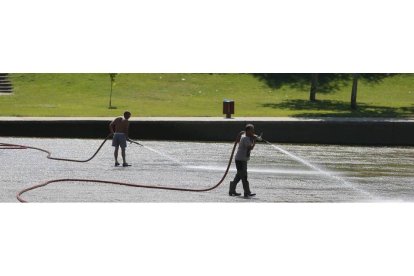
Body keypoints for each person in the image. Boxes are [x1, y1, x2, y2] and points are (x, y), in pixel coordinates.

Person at [229, 124, 261, 197]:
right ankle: (247, 192)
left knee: (239, 176)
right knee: (244, 176)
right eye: (252, 130)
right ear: (248, 131)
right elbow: (250, 148)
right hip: (240, 160)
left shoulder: (247, 138)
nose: (253, 131)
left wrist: (253, 138)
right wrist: (255, 141)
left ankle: (232, 190)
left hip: (242, 160)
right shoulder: (245, 138)